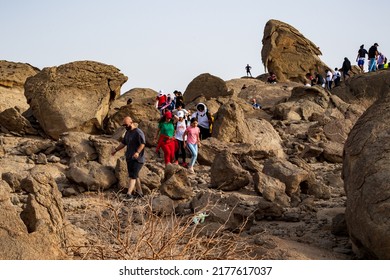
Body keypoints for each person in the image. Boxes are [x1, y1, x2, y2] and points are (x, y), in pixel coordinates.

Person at [111, 116, 146, 199]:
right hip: (129, 158)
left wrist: (137, 152)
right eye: (124, 125)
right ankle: (140, 193)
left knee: (132, 176)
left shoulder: (138, 132)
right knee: (135, 175)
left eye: (126, 125)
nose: (125, 127)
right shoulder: (127, 133)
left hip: (138, 159)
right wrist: (115, 150)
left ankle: (129, 194)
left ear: (131, 122)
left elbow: (143, 144)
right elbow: (123, 143)